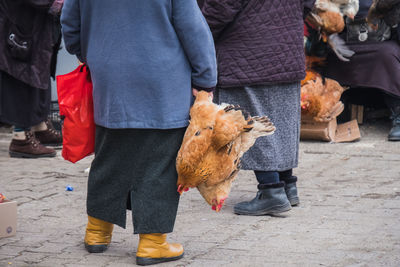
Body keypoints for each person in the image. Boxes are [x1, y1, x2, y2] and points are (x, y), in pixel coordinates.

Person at [61, 0, 217, 265]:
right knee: (160, 164)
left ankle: (97, 232)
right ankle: (152, 244)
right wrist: (206, 78)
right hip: (162, 81)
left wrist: (92, 54)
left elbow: (70, 23)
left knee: (109, 156)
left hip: (109, 77)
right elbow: (193, 29)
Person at [198, 0, 315, 216]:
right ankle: (287, 184)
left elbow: (220, 8)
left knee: (251, 121)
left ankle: (271, 191)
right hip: (286, 47)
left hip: (246, 50)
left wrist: (199, 31)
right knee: (281, 119)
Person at [325, 0, 400, 141]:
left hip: (387, 38)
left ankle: (398, 113)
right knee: (334, 53)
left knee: (386, 55)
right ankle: (336, 110)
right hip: (350, 35)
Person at [0, 0, 63, 158]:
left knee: (36, 75)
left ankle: (38, 126)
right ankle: (20, 138)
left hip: (31, 24)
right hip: (18, 26)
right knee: (21, 78)